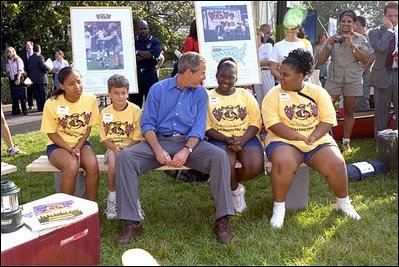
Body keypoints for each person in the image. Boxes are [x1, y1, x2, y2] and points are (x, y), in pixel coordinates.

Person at [115, 52, 234, 245]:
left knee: (219, 156)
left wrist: (186, 150)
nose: (205, 77)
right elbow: (148, 125)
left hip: (189, 143)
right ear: (187, 72)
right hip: (158, 141)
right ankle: (132, 222)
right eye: (202, 73)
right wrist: (157, 150)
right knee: (125, 159)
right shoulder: (158, 89)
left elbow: (198, 128)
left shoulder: (201, 93)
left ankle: (222, 220)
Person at [262, 48, 361, 229]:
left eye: (286, 75)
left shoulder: (318, 91)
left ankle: (343, 202)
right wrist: (298, 136)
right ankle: (279, 208)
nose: (280, 78)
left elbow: (328, 120)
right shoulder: (272, 95)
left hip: (317, 140)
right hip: (283, 141)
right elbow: (273, 124)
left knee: (336, 162)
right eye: (280, 74)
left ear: (301, 75)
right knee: (283, 162)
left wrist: (314, 135)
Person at [206, 57, 264, 213]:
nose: (226, 80)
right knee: (226, 165)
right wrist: (227, 139)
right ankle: (235, 190)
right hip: (219, 139)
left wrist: (242, 140)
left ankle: (225, 182)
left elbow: (255, 122)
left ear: (236, 78)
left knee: (256, 166)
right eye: (223, 76)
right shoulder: (207, 97)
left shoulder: (245, 95)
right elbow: (206, 127)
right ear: (216, 75)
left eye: (231, 77)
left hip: (246, 137)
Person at [40, 66, 100, 201]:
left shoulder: (90, 99)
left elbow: (88, 128)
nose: (77, 86)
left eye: (79, 82)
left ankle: (91, 208)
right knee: (72, 166)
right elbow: (51, 133)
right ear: (62, 86)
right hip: (58, 145)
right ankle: (66, 208)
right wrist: (69, 149)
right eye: (71, 84)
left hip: (81, 143)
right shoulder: (51, 103)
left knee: (93, 166)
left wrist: (78, 148)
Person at [317, 10, 370, 152]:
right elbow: (321, 60)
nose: (346, 24)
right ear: (340, 22)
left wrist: (352, 46)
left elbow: (365, 59)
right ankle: (322, 139)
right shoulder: (333, 39)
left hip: (353, 80)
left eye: (349, 21)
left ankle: (346, 142)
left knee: (349, 110)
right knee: (325, 108)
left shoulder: (360, 39)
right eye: (344, 21)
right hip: (334, 79)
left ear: (353, 24)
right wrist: (328, 45)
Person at [100, 74, 144, 219]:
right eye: (116, 93)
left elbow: (138, 136)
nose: (120, 96)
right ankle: (112, 198)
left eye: (123, 93)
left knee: (128, 167)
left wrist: (128, 147)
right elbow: (104, 139)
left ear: (128, 92)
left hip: (132, 148)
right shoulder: (105, 113)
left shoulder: (135, 110)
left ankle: (132, 200)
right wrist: (113, 148)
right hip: (113, 148)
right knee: (113, 165)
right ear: (109, 94)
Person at [369, 1, 398, 136]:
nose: (393, 19)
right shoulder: (374, 32)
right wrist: (389, 30)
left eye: (396, 16)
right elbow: (380, 48)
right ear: (384, 16)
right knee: (381, 112)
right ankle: (380, 142)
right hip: (382, 75)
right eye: (390, 16)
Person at [130, 19, 161, 108]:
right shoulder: (132, 41)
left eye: (145, 28)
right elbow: (131, 57)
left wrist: (137, 52)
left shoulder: (155, 41)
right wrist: (147, 54)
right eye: (141, 29)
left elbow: (154, 54)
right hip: (137, 75)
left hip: (150, 74)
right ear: (137, 30)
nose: (143, 31)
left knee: (152, 102)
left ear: (148, 29)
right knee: (135, 104)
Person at [354, 16, 376, 112]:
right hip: (353, 73)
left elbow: (373, 55)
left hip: (364, 73)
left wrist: (364, 70)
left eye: (356, 24)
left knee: (362, 99)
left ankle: (363, 121)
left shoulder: (368, 37)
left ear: (362, 26)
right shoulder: (353, 37)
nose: (353, 26)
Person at [254, 31, 275, 109]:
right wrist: (262, 63)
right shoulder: (251, 50)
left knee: (268, 96)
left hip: (267, 72)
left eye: (256, 36)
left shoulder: (268, 46)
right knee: (259, 98)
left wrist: (256, 64)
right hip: (257, 74)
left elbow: (270, 62)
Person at [28, 44, 52, 112]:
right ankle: (44, 107)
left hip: (34, 80)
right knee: (44, 94)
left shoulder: (30, 58)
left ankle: (39, 108)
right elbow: (42, 66)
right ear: (39, 49)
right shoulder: (40, 57)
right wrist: (49, 68)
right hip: (42, 79)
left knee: (38, 95)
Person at [5, 46, 28, 115]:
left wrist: (18, 78)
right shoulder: (8, 61)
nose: (9, 53)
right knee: (14, 95)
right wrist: (7, 71)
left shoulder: (18, 59)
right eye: (8, 52)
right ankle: (16, 110)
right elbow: (7, 70)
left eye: (10, 52)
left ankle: (24, 110)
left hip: (18, 76)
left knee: (21, 94)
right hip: (11, 78)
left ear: (13, 52)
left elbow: (20, 69)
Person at [20, 41, 34, 110]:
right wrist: (23, 71)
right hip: (27, 75)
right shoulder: (22, 55)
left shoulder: (35, 54)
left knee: (36, 89)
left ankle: (40, 104)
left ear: (32, 46)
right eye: (26, 46)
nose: (27, 47)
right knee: (29, 89)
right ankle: (30, 104)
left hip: (35, 74)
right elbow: (20, 65)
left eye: (29, 45)